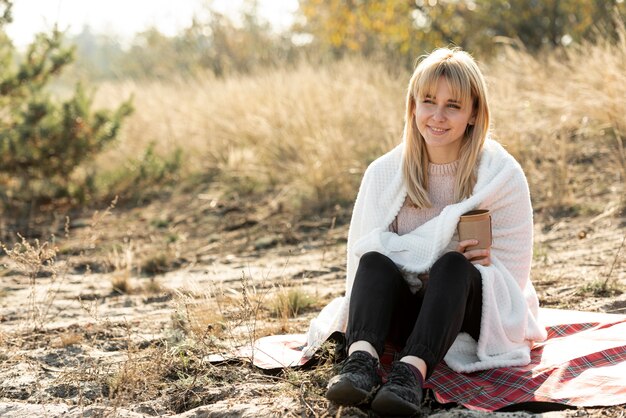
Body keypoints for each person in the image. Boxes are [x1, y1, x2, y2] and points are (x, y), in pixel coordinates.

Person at [303, 47, 548, 416]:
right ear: (413, 106)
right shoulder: (385, 173)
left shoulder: (500, 174)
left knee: (452, 265)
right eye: (428, 101)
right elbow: (359, 263)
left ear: (473, 113)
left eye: (453, 105)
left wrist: (480, 269)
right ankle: (360, 365)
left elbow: (513, 276)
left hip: (468, 312)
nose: (437, 115)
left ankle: (408, 377)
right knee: (373, 259)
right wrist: (416, 265)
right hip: (408, 312)